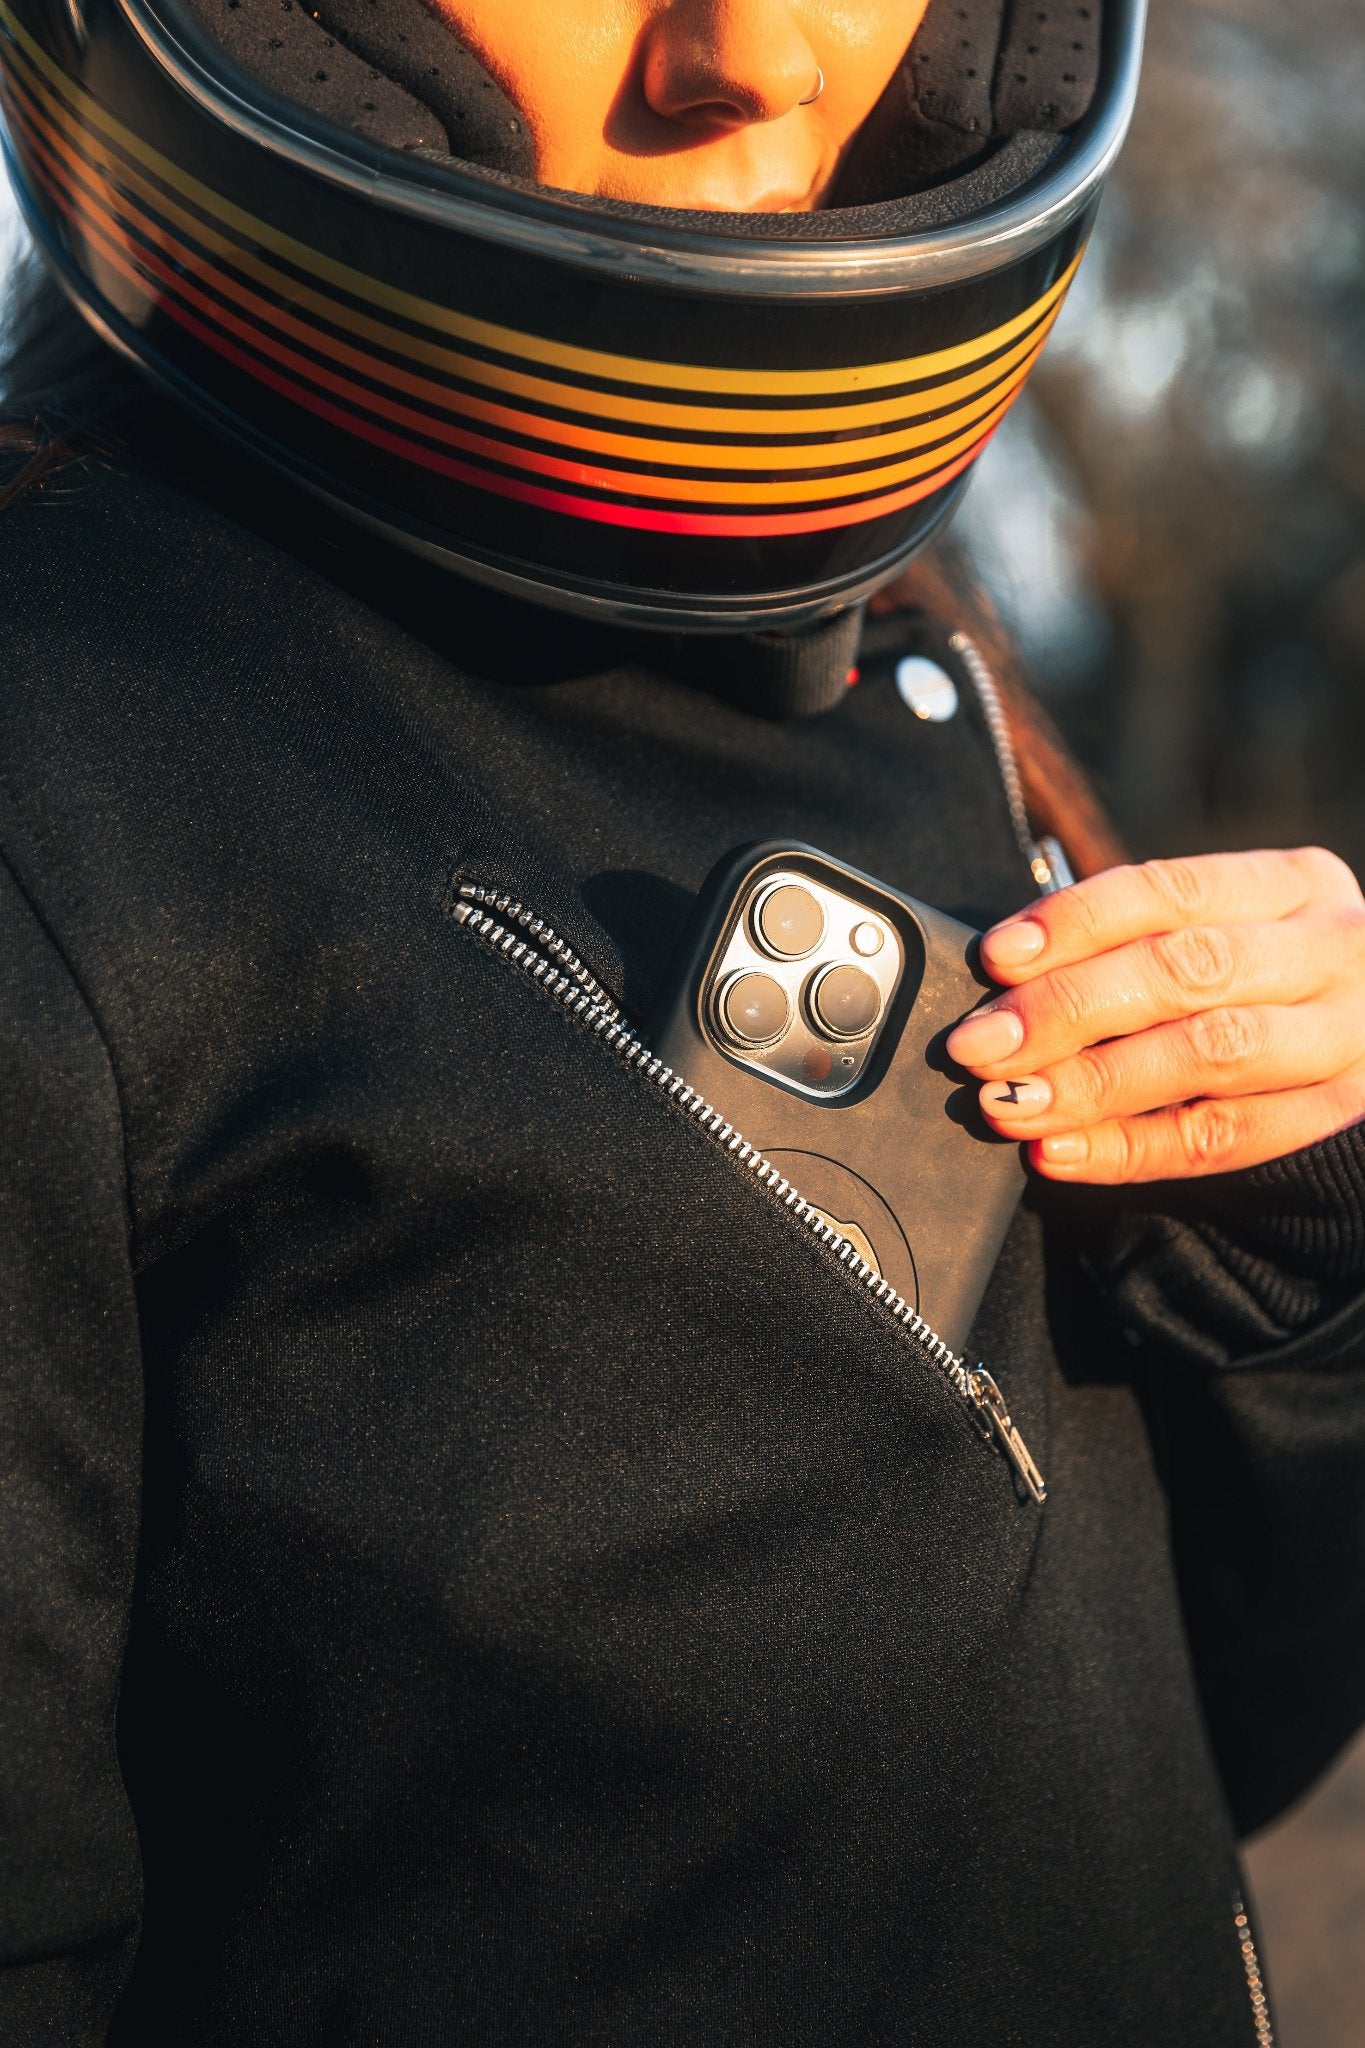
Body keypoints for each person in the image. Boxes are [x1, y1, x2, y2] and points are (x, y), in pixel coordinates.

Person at [1, 0, 1363, 2039]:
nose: (758, 55)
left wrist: (1299, 1270)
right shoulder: (62, 776)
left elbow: (1129, 1762)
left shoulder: (909, 672)